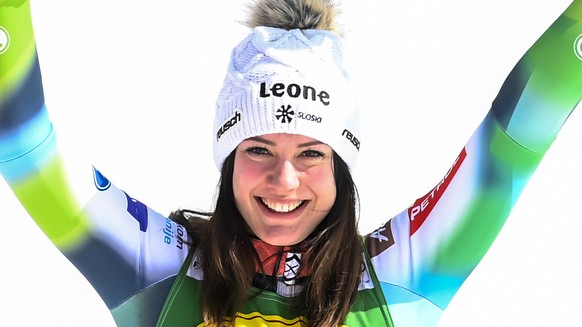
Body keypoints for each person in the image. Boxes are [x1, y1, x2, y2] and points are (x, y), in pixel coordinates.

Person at [0, 0, 581, 326]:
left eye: (311, 153)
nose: (284, 180)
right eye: (258, 150)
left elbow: (512, 140)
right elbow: (24, 144)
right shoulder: (157, 268)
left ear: (341, 168)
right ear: (227, 163)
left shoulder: (397, 275)